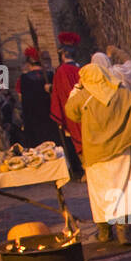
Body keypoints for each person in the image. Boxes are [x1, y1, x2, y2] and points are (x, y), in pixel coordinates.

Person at [65, 55, 131, 244]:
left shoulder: (83, 96)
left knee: (101, 193)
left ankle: (105, 232)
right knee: (123, 189)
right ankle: (124, 232)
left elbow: (71, 112)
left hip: (96, 153)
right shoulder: (120, 91)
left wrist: (78, 90)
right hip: (122, 149)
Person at [50, 44, 83, 178]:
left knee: (77, 137)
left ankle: (85, 168)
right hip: (84, 108)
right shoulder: (81, 68)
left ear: (63, 55)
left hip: (71, 110)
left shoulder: (62, 70)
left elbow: (62, 93)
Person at [15, 48, 58, 148]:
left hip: (32, 119)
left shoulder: (23, 79)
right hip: (50, 117)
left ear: (28, 63)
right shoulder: (50, 75)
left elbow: (20, 99)